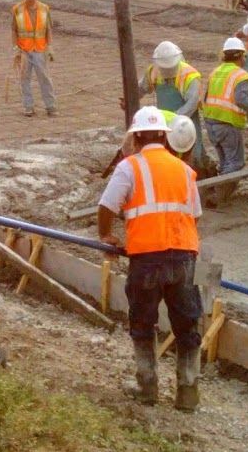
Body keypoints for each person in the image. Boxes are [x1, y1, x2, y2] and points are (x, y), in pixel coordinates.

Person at [96, 106, 203, 411]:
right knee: (187, 324)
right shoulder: (183, 169)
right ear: (165, 137)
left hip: (146, 257)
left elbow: (106, 206)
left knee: (143, 322)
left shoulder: (130, 167)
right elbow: (195, 215)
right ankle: (188, 391)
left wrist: (106, 235)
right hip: (184, 256)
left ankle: (147, 388)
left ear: (137, 136)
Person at [201, 37, 248, 206]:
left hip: (210, 123)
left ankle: (218, 192)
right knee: (236, 163)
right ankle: (217, 195)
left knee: (225, 161)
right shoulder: (241, 75)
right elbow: (241, 99)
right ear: (240, 56)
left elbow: (206, 96)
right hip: (228, 124)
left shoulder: (215, 72)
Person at [138, 41, 207, 173]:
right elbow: (141, 88)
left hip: (186, 122)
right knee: (168, 153)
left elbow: (192, 103)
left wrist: (176, 119)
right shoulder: (154, 71)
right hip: (164, 123)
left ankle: (201, 173)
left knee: (193, 151)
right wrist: (130, 98)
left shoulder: (189, 75)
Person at [11, 0, 57, 117]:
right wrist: (16, 49)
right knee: (24, 79)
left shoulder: (44, 9)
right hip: (24, 50)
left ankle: (50, 106)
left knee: (44, 79)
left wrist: (49, 47)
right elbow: (14, 30)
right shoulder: (17, 9)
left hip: (39, 49)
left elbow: (48, 29)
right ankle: (28, 107)